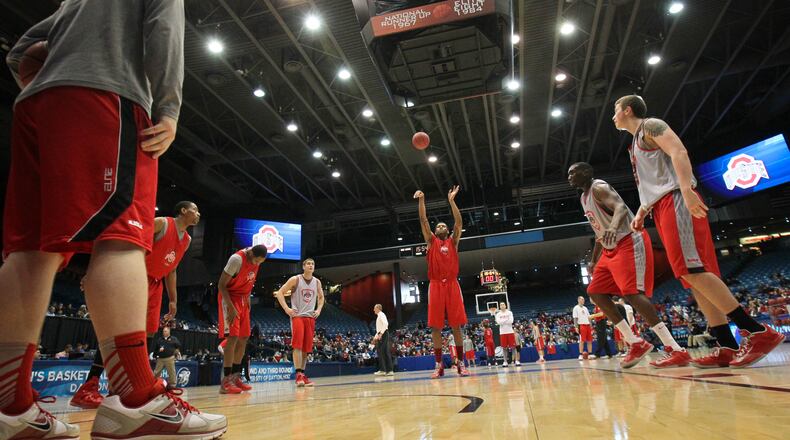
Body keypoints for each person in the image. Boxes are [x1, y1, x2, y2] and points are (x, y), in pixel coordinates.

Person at [0, 1, 228, 438]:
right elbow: (165, 29)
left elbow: (21, 51)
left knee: (32, 251)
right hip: (104, 96)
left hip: (35, 105)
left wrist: (55, 78)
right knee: (120, 239)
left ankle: (9, 405)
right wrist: (169, 109)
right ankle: (134, 399)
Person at [613, 95, 784, 367]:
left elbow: (679, 151)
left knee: (691, 270)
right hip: (661, 205)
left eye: (616, 110)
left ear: (628, 110)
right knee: (692, 276)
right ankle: (726, 345)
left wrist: (685, 191)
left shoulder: (651, 126)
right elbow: (654, 180)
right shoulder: (634, 144)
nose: (613, 115)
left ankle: (757, 331)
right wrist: (643, 210)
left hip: (676, 200)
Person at [71, 201, 199, 409]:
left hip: (156, 284)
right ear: (183, 210)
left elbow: (172, 269)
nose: (198, 214)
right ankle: (89, 386)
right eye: (195, 210)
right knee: (117, 332)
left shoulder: (187, 239)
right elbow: (128, 245)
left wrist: (173, 299)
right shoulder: (161, 224)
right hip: (135, 276)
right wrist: (95, 269)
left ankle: (126, 388)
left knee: (147, 334)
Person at [569, 162, 689, 368]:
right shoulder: (583, 197)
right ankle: (635, 342)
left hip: (627, 240)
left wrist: (614, 227)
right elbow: (600, 232)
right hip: (609, 248)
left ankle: (676, 349)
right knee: (595, 291)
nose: (569, 176)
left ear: (586, 173)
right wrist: (593, 259)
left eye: (573, 172)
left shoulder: (599, 187)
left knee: (631, 293)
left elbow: (620, 208)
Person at [413, 186, 471, 379]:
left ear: (448, 230)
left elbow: (459, 222)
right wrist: (421, 200)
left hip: (453, 285)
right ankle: (439, 365)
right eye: (438, 227)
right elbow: (423, 220)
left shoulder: (453, 242)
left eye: (443, 226)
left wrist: (452, 201)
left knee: (456, 326)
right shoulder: (431, 242)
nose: (440, 227)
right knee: (436, 327)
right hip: (436, 285)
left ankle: (460, 363)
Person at [218, 245, 267, 393]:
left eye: (260, 262)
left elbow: (249, 283)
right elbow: (221, 285)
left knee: (244, 337)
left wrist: (248, 302)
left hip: (243, 299)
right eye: (256, 261)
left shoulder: (256, 260)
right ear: (251, 253)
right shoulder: (236, 259)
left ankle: (235, 377)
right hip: (229, 298)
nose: (257, 264)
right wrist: (231, 307)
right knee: (232, 338)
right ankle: (226, 381)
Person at [275, 258, 325, 387]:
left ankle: (302, 374)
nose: (311, 265)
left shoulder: (317, 282)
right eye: (308, 263)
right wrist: (287, 309)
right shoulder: (295, 279)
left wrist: (319, 309)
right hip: (297, 316)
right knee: (297, 346)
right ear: (303, 266)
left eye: (313, 264)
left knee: (306, 349)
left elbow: (321, 297)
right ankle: (298, 374)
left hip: (310, 317)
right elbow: (280, 293)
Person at [373, 304, 394, 376]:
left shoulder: (381, 314)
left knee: (382, 351)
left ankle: (385, 370)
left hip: (383, 334)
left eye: (374, 308)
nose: (373, 310)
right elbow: (379, 328)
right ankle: (386, 370)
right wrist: (375, 337)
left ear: (378, 308)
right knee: (382, 351)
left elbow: (385, 324)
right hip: (382, 334)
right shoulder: (379, 315)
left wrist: (381, 334)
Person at [495, 302, 515, 367]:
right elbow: (498, 322)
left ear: (505, 305)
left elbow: (511, 321)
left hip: (510, 331)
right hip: (502, 333)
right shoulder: (498, 314)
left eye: (503, 304)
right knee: (504, 348)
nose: (502, 306)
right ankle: (505, 361)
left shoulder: (510, 312)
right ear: (499, 307)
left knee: (513, 347)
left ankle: (515, 361)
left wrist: (502, 321)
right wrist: (506, 320)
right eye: (501, 305)